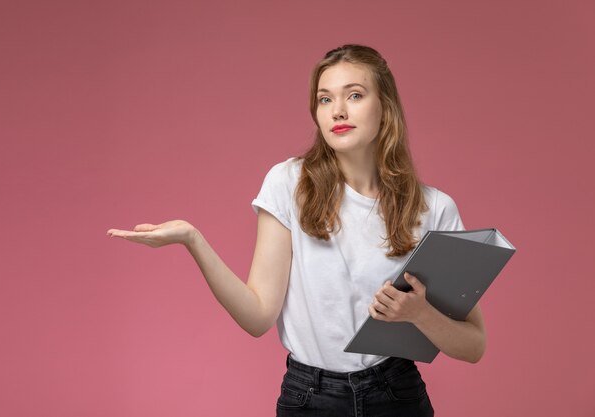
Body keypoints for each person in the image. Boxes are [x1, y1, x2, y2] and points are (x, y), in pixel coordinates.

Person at [106, 44, 486, 417]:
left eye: (354, 95)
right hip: (309, 396)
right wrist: (193, 239)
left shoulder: (434, 208)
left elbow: (473, 345)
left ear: (385, 107)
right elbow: (257, 317)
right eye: (325, 99)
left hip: (396, 393)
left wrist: (420, 314)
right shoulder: (289, 183)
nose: (338, 110)